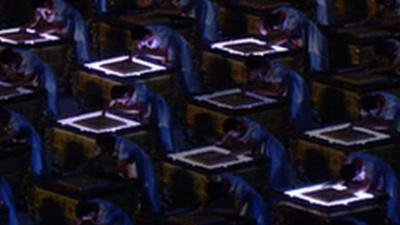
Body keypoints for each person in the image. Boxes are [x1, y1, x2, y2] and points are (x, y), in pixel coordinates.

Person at [217, 117, 293, 190]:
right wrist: (222, 143)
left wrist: (232, 155)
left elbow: (250, 148)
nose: (233, 137)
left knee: (276, 177)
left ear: (238, 127)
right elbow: (228, 135)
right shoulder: (240, 121)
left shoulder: (256, 129)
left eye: (233, 134)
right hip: (262, 152)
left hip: (274, 152)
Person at [95, 136, 161, 214]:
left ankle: (156, 214)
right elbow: (98, 155)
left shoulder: (124, 146)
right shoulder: (112, 142)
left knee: (150, 193)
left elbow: (120, 166)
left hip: (144, 167)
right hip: (133, 169)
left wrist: (106, 170)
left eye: (103, 147)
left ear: (106, 144)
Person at [245, 58, 314, 131]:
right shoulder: (258, 69)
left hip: (295, 88)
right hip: (283, 90)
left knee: (298, 113)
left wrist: (255, 91)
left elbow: (277, 92)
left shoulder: (278, 70)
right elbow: (251, 80)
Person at [130, 25, 201, 95]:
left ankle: (194, 94)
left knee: (187, 74)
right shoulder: (143, 32)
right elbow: (137, 45)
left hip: (179, 50)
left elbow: (164, 55)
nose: (142, 44)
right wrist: (136, 50)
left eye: (142, 41)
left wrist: (144, 52)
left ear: (148, 36)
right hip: (161, 51)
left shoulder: (163, 35)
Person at [257, 6, 329, 72]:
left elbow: (286, 35)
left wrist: (272, 43)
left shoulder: (292, 17)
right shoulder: (276, 12)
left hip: (308, 33)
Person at [109, 82, 174, 153]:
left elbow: (138, 109)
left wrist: (120, 110)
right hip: (150, 112)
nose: (122, 103)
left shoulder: (140, 90)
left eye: (122, 101)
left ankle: (168, 152)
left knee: (163, 132)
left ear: (126, 95)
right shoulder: (129, 92)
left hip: (159, 110)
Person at [340, 152, 400, 225]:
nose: (356, 181)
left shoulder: (369, 165)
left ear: (359, 171)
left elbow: (365, 187)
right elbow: (344, 179)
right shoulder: (349, 160)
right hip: (372, 174)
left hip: (387, 175)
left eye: (356, 178)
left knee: (391, 205)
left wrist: (350, 191)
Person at [0, 48, 58, 117]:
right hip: (25, 75)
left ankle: (52, 114)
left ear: (14, 57)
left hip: (42, 70)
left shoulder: (28, 58)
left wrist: (11, 86)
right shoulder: (9, 58)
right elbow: (11, 74)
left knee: (51, 89)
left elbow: (27, 79)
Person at [0, 107, 48, 177]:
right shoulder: (9, 115)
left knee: (37, 167)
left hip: (33, 144)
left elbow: (10, 136)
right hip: (26, 144)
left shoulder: (17, 120)